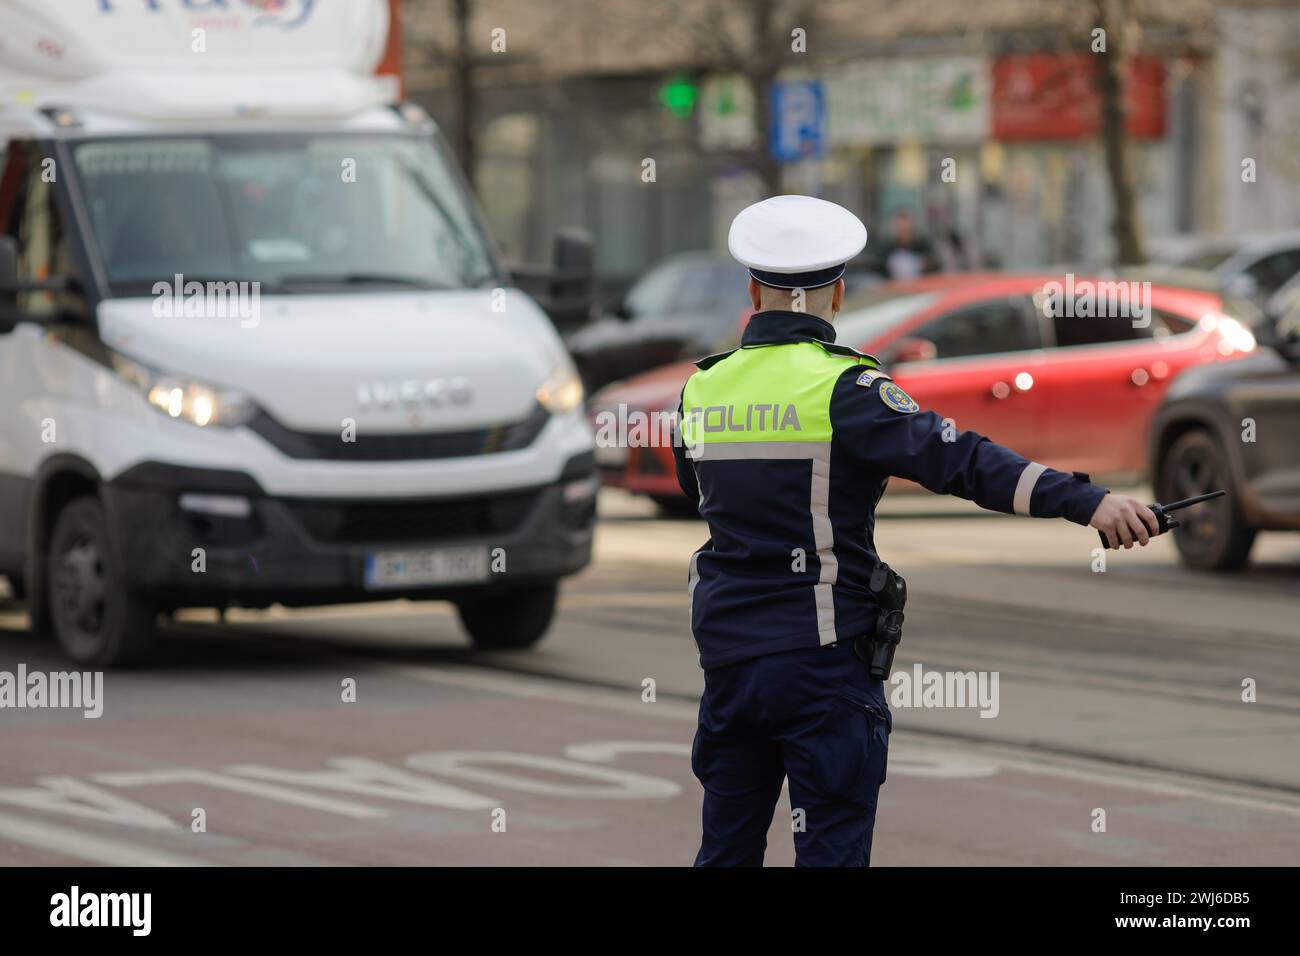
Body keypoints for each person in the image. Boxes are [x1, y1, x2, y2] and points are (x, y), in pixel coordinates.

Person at [671, 195, 1159, 867]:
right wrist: (1085, 502)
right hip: (820, 660)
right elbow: (962, 462)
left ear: (754, 290)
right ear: (837, 293)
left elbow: (698, 493)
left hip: (730, 662)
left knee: (724, 851)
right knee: (831, 850)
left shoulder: (703, 390)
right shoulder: (845, 389)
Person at [879, 209, 935, 280]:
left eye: (906, 230)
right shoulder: (888, 249)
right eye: (900, 229)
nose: (903, 232)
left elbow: (933, 268)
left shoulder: (923, 247)